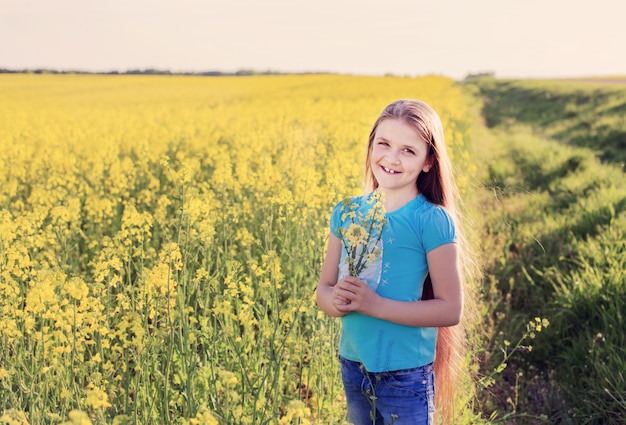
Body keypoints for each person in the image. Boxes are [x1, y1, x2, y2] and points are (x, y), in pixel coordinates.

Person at [316, 99, 470, 425]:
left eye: (408, 150)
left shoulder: (432, 220)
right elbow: (323, 291)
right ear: (371, 145)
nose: (391, 158)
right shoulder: (346, 212)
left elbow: (449, 309)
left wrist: (372, 304)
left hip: (406, 376)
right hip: (353, 365)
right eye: (383, 144)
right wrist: (337, 301)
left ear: (429, 161)